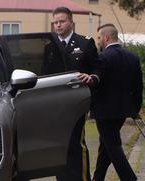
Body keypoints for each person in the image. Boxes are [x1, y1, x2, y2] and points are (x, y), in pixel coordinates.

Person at [50, 6, 103, 181]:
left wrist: (92, 77)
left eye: (62, 21)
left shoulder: (85, 43)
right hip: (54, 103)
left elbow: (98, 68)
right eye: (56, 22)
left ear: (71, 22)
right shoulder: (49, 45)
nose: (58, 25)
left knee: (75, 142)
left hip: (77, 101)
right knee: (58, 144)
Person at [90, 23, 143, 181]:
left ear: (106, 37)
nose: (97, 41)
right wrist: (135, 109)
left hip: (104, 112)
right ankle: (97, 178)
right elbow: (138, 86)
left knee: (113, 147)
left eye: (99, 38)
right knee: (105, 146)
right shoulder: (132, 57)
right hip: (123, 111)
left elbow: (97, 84)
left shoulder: (102, 58)